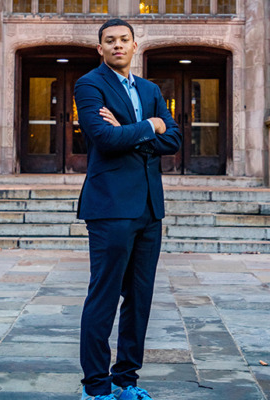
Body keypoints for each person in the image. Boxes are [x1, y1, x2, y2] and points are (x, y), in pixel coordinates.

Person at [74, 18, 182, 400]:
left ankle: (126, 380)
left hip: (150, 208)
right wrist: (149, 126)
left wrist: (133, 128)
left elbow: (174, 140)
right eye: (109, 41)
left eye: (124, 40)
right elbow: (103, 137)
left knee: (140, 297)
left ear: (136, 45)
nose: (117, 45)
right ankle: (96, 387)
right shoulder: (89, 85)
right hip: (110, 207)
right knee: (103, 296)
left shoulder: (151, 88)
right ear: (100, 48)